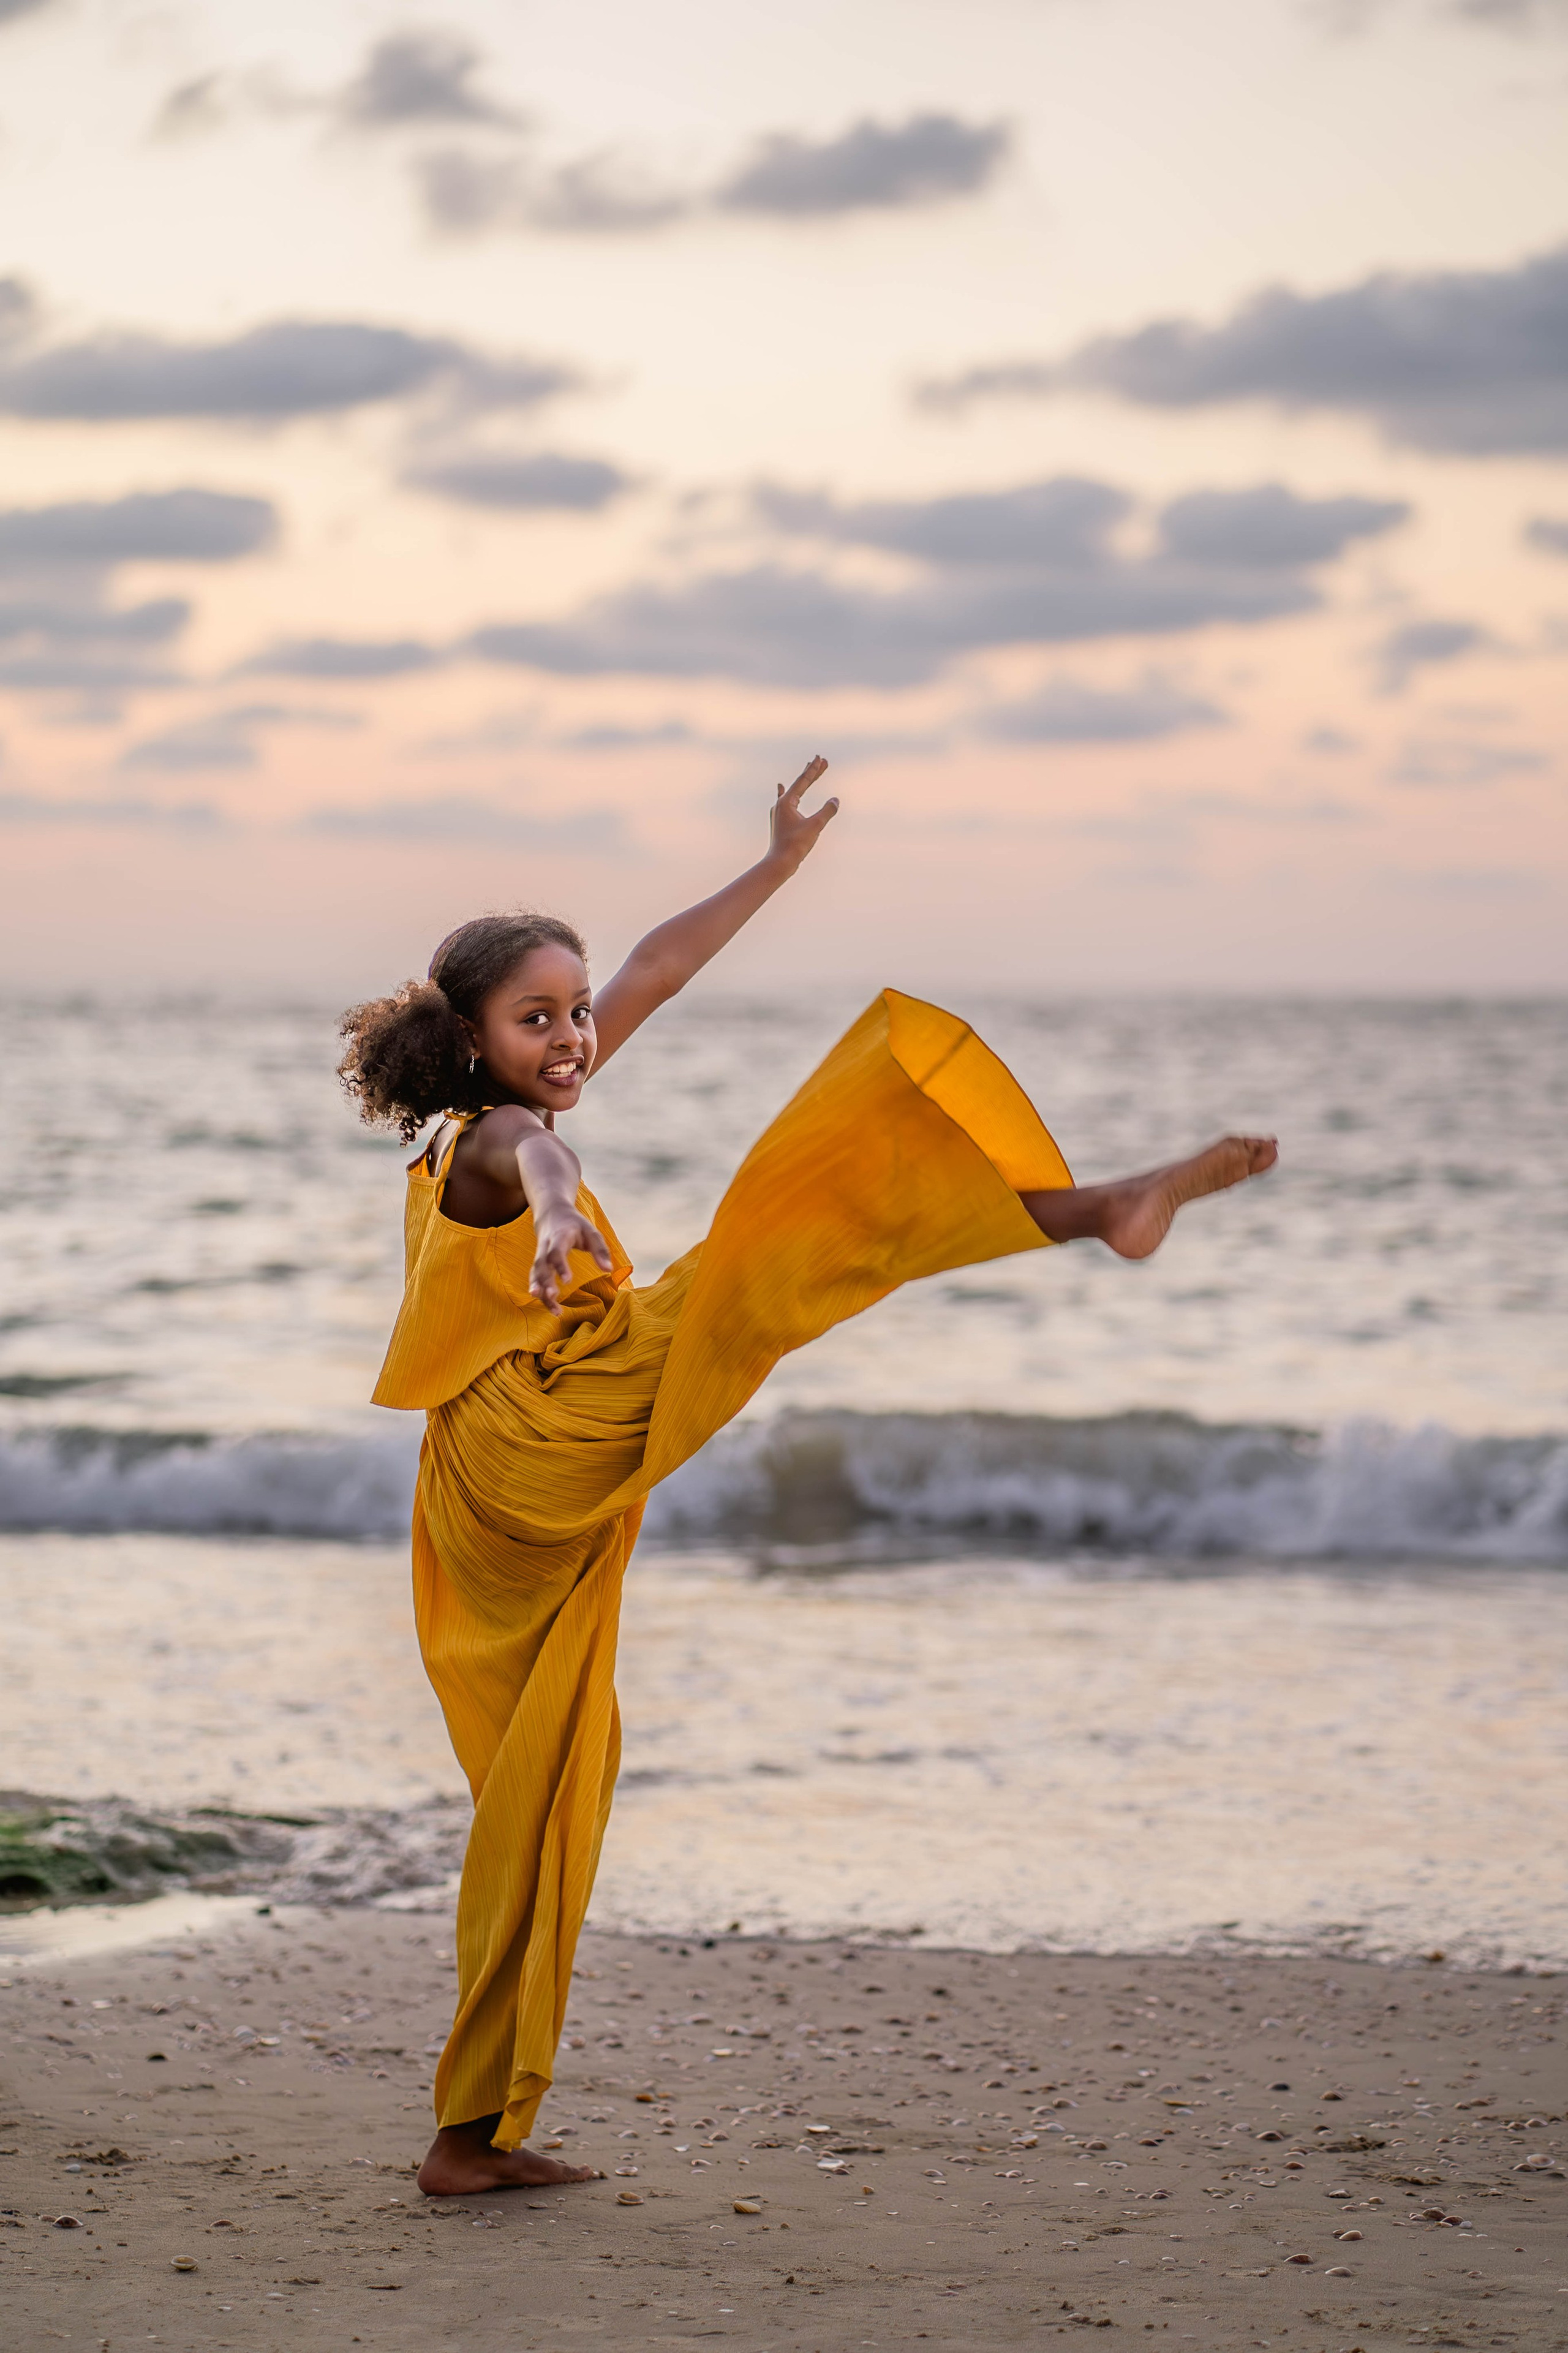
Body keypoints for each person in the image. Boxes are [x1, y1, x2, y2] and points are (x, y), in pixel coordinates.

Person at [339, 755, 1276, 2198]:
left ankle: (468, 2138)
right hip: (534, 1446)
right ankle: (1098, 1206)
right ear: (468, 1037)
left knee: (548, 1785)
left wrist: (774, 862)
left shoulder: (506, 1099)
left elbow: (654, 963)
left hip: (504, 1481)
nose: (574, 1033)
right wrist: (549, 1221)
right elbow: (545, 1165)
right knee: (785, 1238)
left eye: (574, 1011)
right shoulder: (499, 1138)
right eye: (538, 1018)